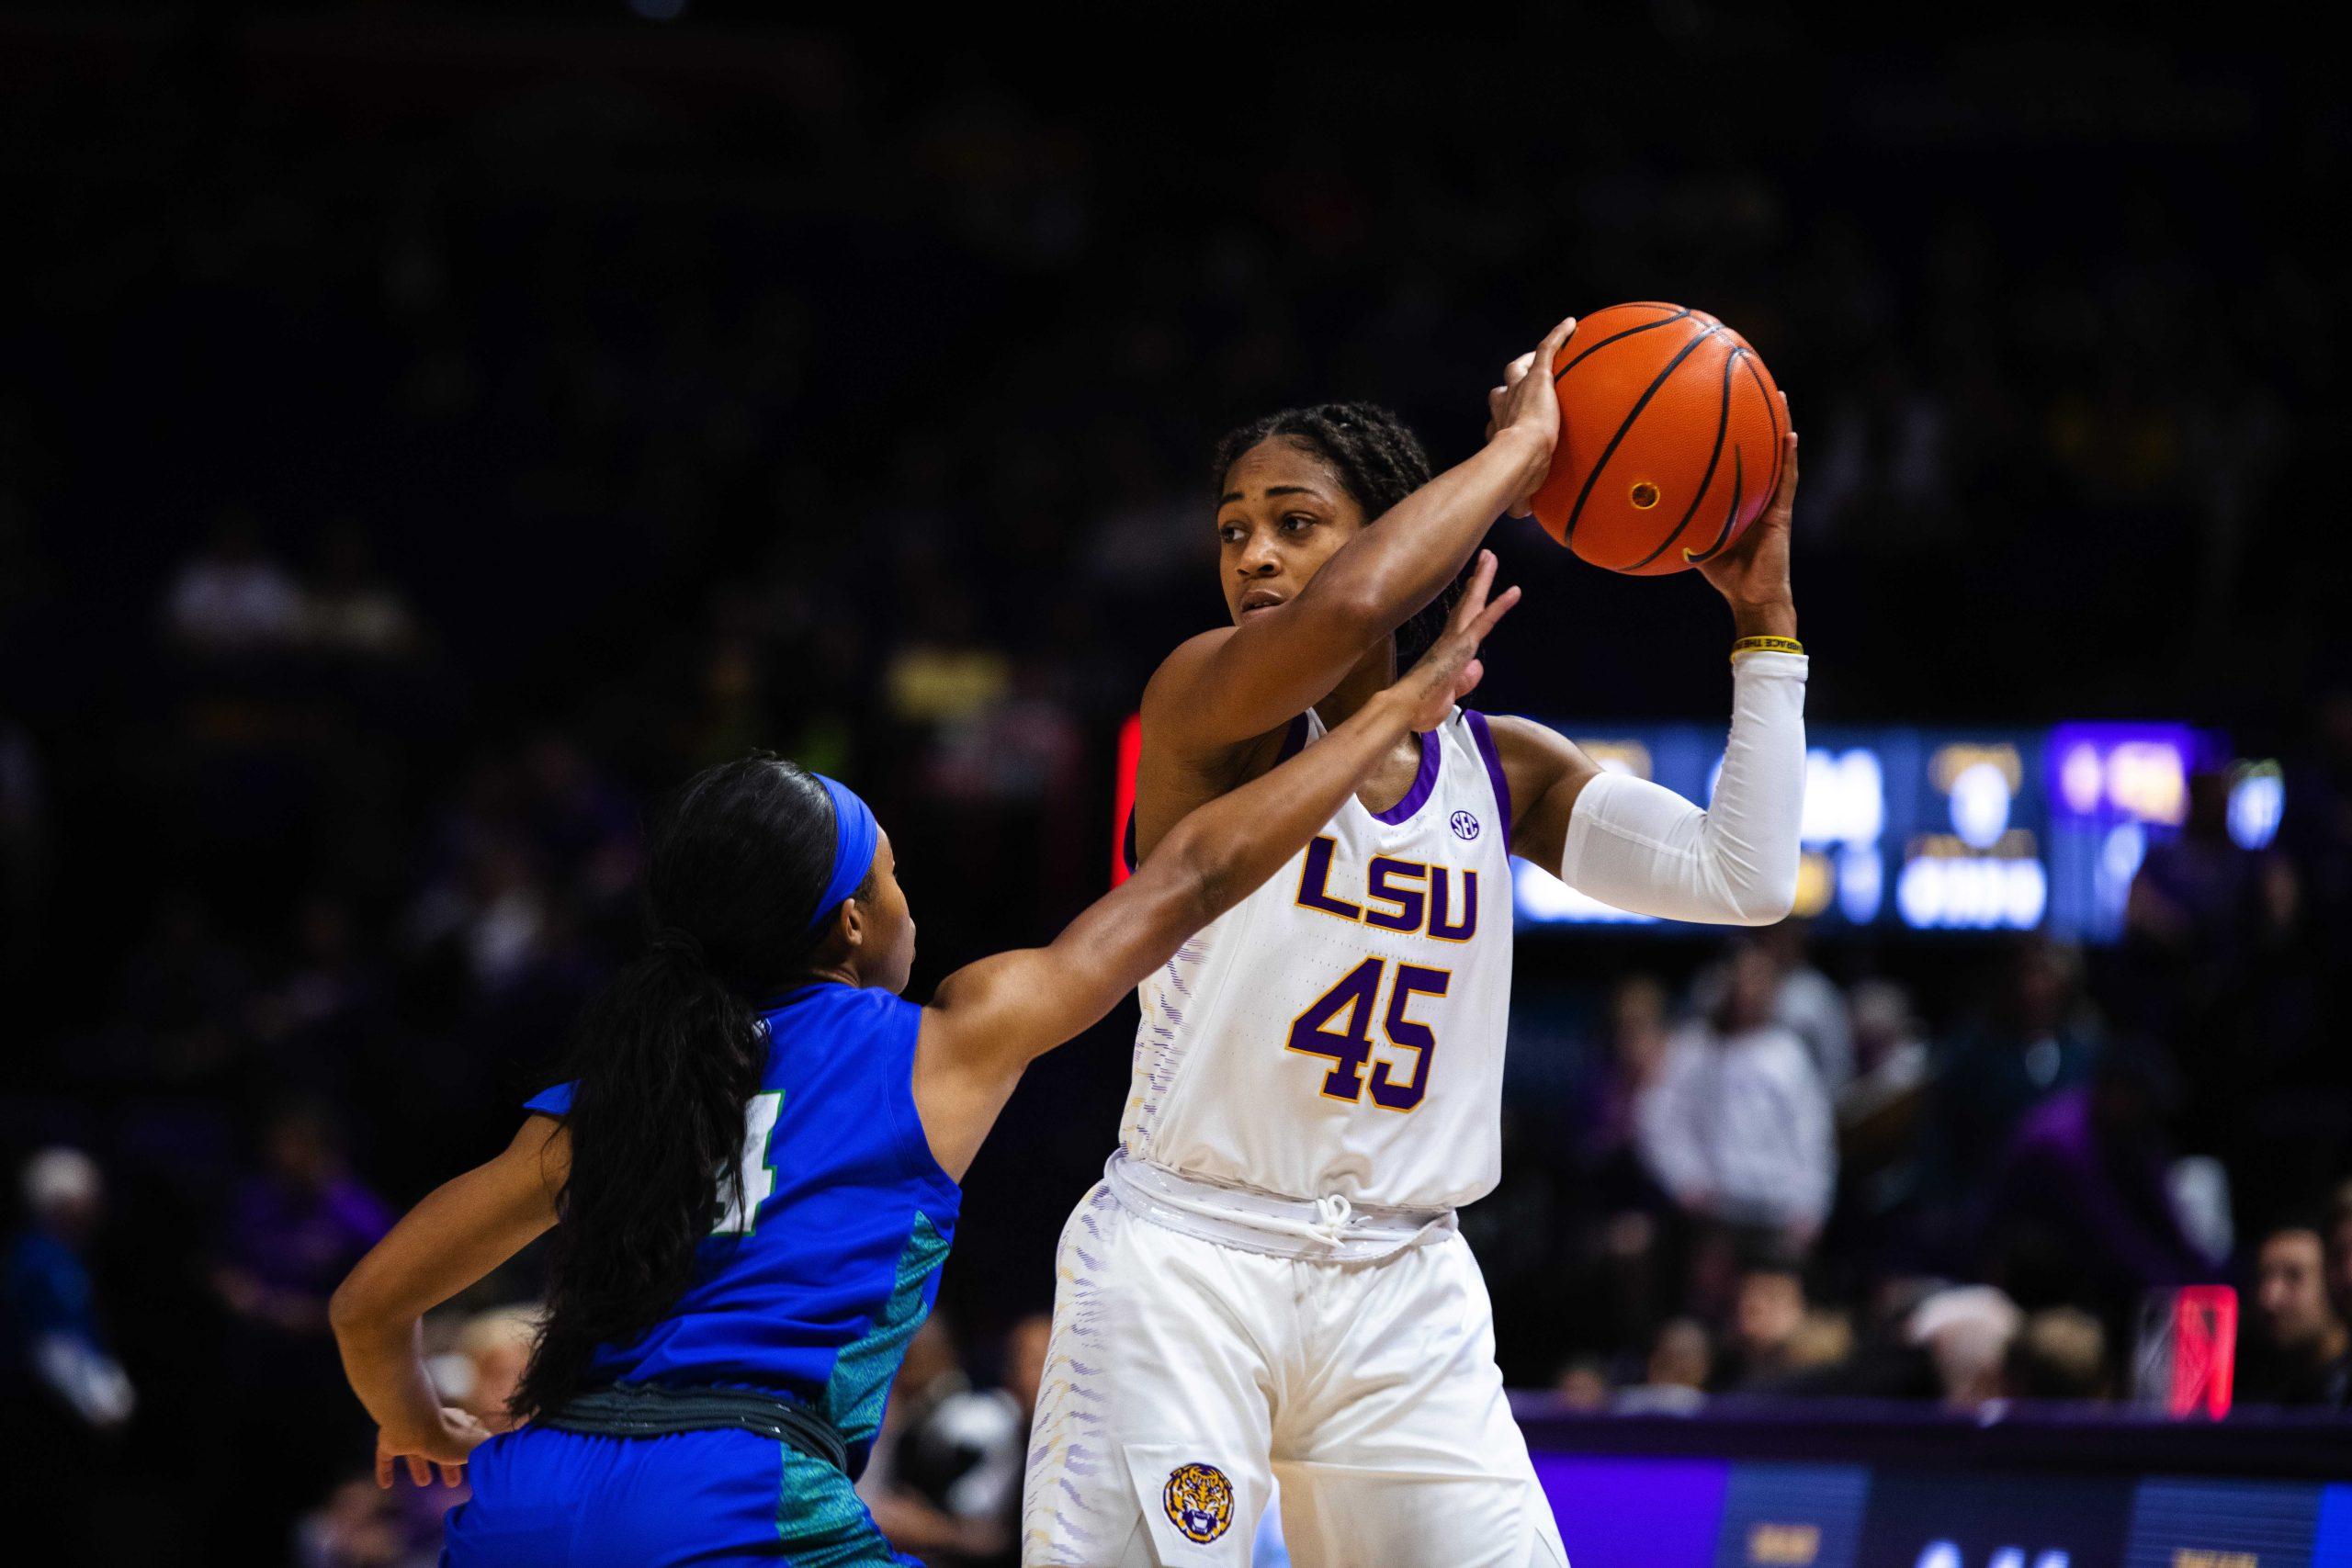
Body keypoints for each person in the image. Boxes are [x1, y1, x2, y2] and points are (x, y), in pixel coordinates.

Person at [325, 569, 1513, 1567]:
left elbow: (371, 1302)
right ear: (851, 922)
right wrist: (1386, 716)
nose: (909, 894)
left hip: (530, 1496)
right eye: (891, 869)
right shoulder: (943, 1038)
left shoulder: (613, 1090)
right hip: (738, 1491)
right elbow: (1193, 877)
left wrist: (413, 1414)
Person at [1025, 321, 1810, 1567]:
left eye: (1296, 520)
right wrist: (1526, 453)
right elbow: (1351, 609)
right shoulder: (1206, 705)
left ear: (1398, 527)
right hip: (1189, 1262)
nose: (1256, 554)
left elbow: (1747, 874)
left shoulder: (1499, 766)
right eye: (1234, 527)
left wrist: (1764, 621)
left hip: (1405, 1281)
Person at [1637, 942, 1836, 1246]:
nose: (1749, 990)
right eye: (1742, 979)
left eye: (1759, 979)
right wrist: (1684, 1179)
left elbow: (1812, 1133)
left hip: (1777, 1213)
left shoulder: (1789, 1055)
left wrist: (1811, 1205)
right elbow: (1658, 1117)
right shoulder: (1696, 1048)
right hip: (1712, 1212)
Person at [2238, 1221, 2349, 1409]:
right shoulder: (2256, 1386)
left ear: (2335, 1281)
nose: (2269, 1299)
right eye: (2263, 1277)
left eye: (2294, 1276)